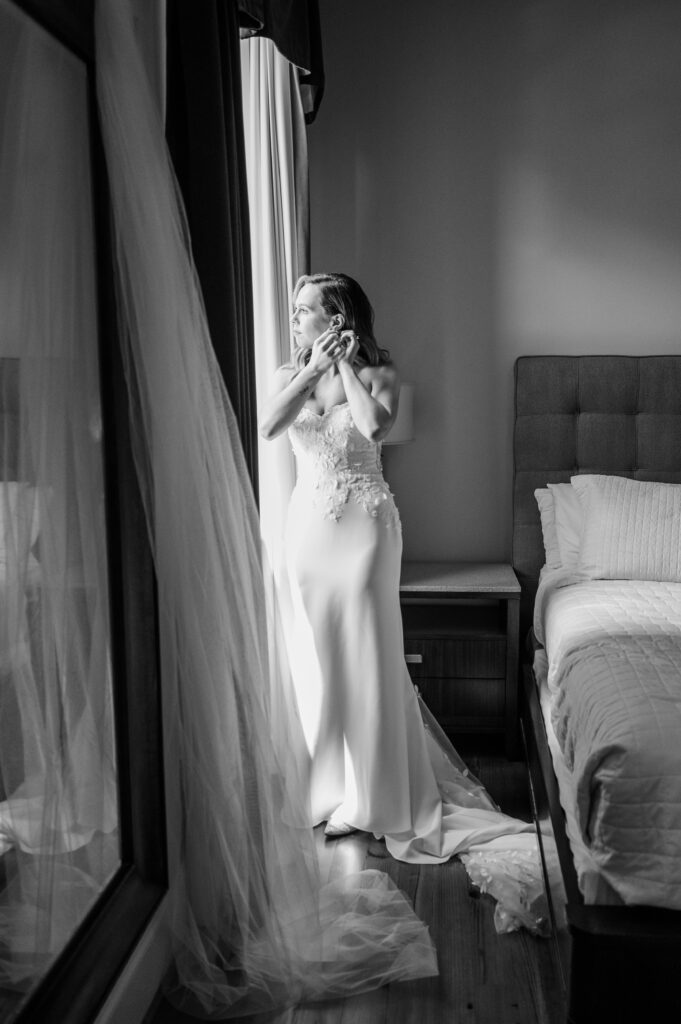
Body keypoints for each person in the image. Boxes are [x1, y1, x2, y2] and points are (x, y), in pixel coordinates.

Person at [259, 273, 540, 878]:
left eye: (305, 310)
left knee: (366, 652)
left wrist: (346, 368)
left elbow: (374, 429)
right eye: (294, 309)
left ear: (337, 319)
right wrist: (311, 370)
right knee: (317, 657)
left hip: (365, 529)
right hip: (306, 531)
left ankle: (374, 797)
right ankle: (325, 787)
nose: (294, 319)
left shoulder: (379, 375)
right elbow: (269, 427)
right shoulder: (288, 375)